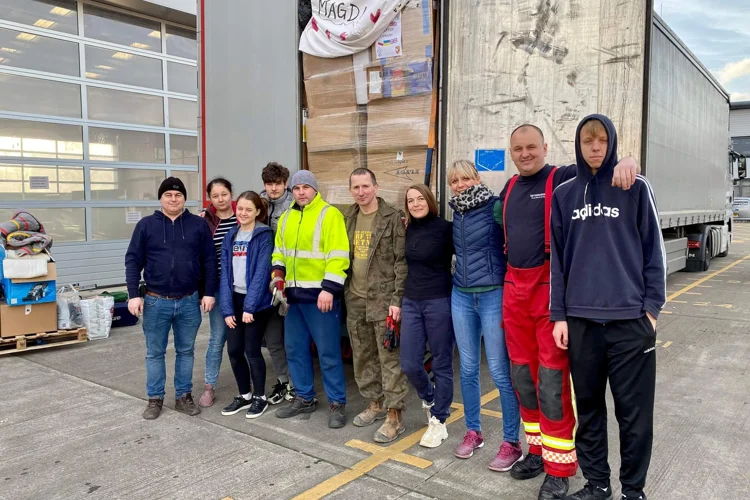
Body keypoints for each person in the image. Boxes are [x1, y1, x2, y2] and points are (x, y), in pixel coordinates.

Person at [500, 125, 639, 500]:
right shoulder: (509, 188)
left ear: (545, 147)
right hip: (514, 291)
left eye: (532, 147)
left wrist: (628, 160)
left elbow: (600, 168)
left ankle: (560, 468)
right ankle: (537, 453)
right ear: (510, 151)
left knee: (551, 382)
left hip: (548, 291)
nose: (525, 153)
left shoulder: (563, 178)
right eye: (518, 148)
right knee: (523, 378)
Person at [550, 115, 666, 500]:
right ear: (579, 145)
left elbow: (654, 251)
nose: (595, 147)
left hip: (630, 322)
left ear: (611, 142)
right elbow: (559, 262)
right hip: (581, 323)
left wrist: (651, 309)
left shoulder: (633, 185)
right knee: (589, 412)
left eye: (601, 140)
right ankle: (598, 483)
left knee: (634, 417)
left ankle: (633, 491)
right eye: (587, 140)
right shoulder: (565, 194)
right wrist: (560, 316)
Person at [447, 160, 521, 465]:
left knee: (500, 371)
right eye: (454, 181)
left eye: (465, 179)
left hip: (492, 295)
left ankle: (512, 442)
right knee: (467, 369)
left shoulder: (494, 207)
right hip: (461, 296)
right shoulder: (456, 211)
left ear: (477, 178)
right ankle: (473, 432)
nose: (460, 185)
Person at [125, 177, 217, 420]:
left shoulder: (198, 225)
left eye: (178, 195)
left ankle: (183, 396)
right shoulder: (146, 226)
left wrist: (208, 292)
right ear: (161, 198)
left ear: (184, 198)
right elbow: (133, 261)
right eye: (168, 195)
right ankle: (155, 399)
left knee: (186, 351)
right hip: (156, 301)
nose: (173, 199)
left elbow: (209, 261)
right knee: (155, 353)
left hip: (189, 301)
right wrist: (133, 295)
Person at [271, 171, 351, 429]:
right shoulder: (286, 218)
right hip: (293, 299)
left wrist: (329, 289)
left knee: (328, 353)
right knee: (295, 350)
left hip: (320, 298)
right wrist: (278, 276)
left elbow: (338, 255)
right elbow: (279, 252)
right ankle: (304, 398)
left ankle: (337, 403)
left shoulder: (330, 215)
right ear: (291, 191)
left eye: (306, 187)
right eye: (296, 188)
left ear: (315, 189)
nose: (301, 192)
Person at [344, 168, 409, 443]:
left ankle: (395, 415)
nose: (361, 192)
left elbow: (401, 261)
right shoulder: (347, 217)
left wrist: (397, 300)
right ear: (351, 190)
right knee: (362, 355)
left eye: (366, 186)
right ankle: (375, 403)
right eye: (356, 187)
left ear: (376, 187)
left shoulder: (392, 217)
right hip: (355, 299)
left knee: (389, 359)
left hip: (384, 301)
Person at [399, 184, 455, 448]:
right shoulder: (407, 229)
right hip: (411, 301)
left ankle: (439, 421)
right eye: (410, 200)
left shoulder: (445, 229)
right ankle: (430, 397)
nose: (416, 204)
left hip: (439, 301)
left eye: (420, 198)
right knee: (410, 363)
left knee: (442, 363)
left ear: (430, 200)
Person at [217, 191, 275, 419]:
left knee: (252, 350)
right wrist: (228, 309)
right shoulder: (231, 235)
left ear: (258, 212)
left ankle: (260, 397)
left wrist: (249, 307)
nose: (243, 213)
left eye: (248, 209)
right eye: (240, 208)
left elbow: (262, 274)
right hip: (235, 299)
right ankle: (245, 395)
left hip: (256, 302)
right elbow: (225, 275)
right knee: (233, 351)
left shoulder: (264, 236)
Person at [198, 177, 237, 408]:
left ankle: (251, 387)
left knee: (245, 339)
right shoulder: (205, 222)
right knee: (217, 337)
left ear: (231, 193)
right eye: (215, 196)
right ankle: (209, 385)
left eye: (224, 194)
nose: (220, 199)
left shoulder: (242, 214)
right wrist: (205, 291)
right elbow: (201, 257)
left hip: (242, 287)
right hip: (217, 287)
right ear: (210, 198)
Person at [260, 162, 295, 404]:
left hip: (287, 276)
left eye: (277, 184)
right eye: (269, 184)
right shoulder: (259, 203)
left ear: (285, 184)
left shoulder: (294, 205)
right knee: (272, 337)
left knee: (290, 336)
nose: (273, 189)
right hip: (263, 277)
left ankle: (294, 382)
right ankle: (284, 379)